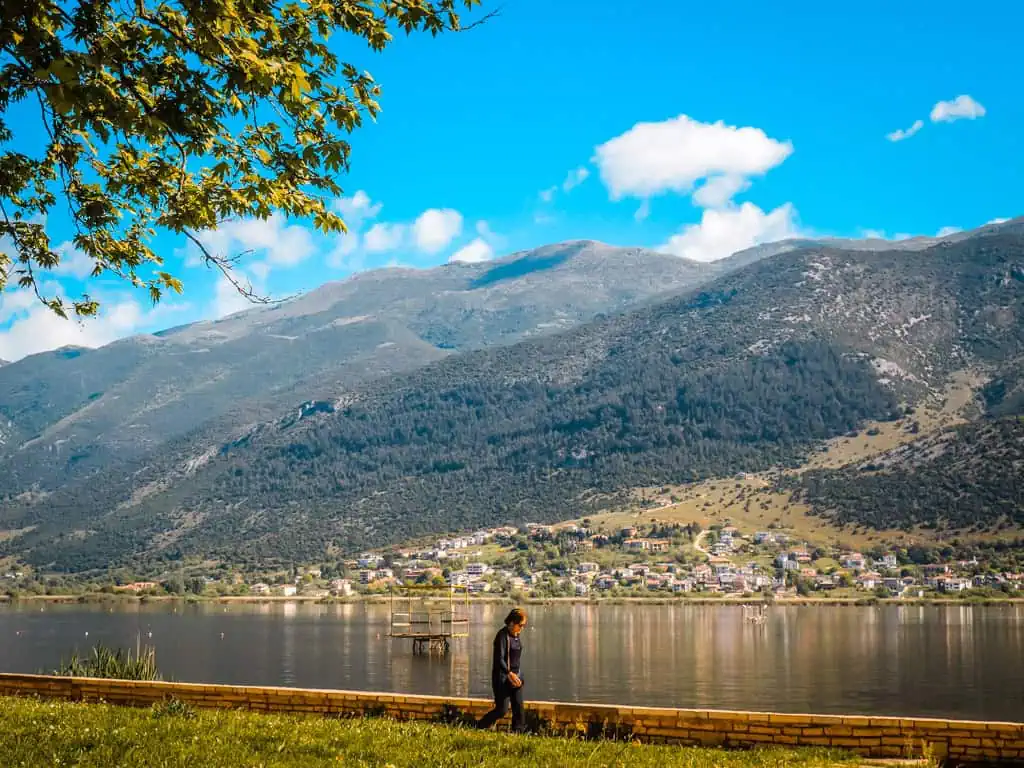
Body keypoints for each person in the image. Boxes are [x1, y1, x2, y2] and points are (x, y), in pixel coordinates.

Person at [477, 607, 528, 733]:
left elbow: (516, 658)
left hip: (516, 677)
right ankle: (479, 726)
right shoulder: (502, 636)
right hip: (503, 678)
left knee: (518, 708)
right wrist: (509, 673)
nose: (522, 628)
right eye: (520, 625)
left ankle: (518, 734)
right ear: (512, 623)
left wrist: (519, 676)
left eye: (523, 625)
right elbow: (499, 659)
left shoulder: (516, 637)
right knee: (501, 710)